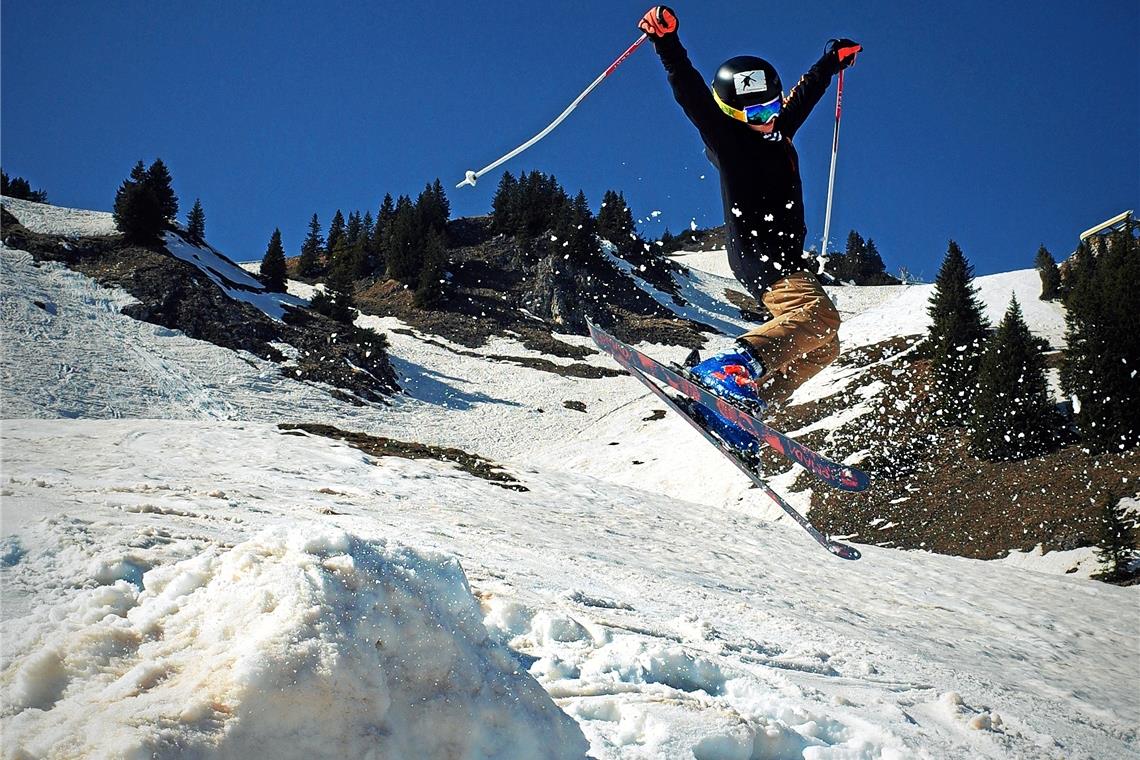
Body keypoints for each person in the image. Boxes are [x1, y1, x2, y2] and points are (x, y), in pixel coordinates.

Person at [638, 6, 861, 452]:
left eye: (772, 106)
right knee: (821, 318)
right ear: (733, 114)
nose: (768, 117)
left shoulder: (777, 130)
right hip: (761, 255)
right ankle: (728, 368)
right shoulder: (730, 138)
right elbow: (691, 94)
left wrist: (829, 64)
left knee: (824, 346)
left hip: (785, 258)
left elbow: (802, 99)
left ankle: (744, 407)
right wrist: (667, 43)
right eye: (755, 111)